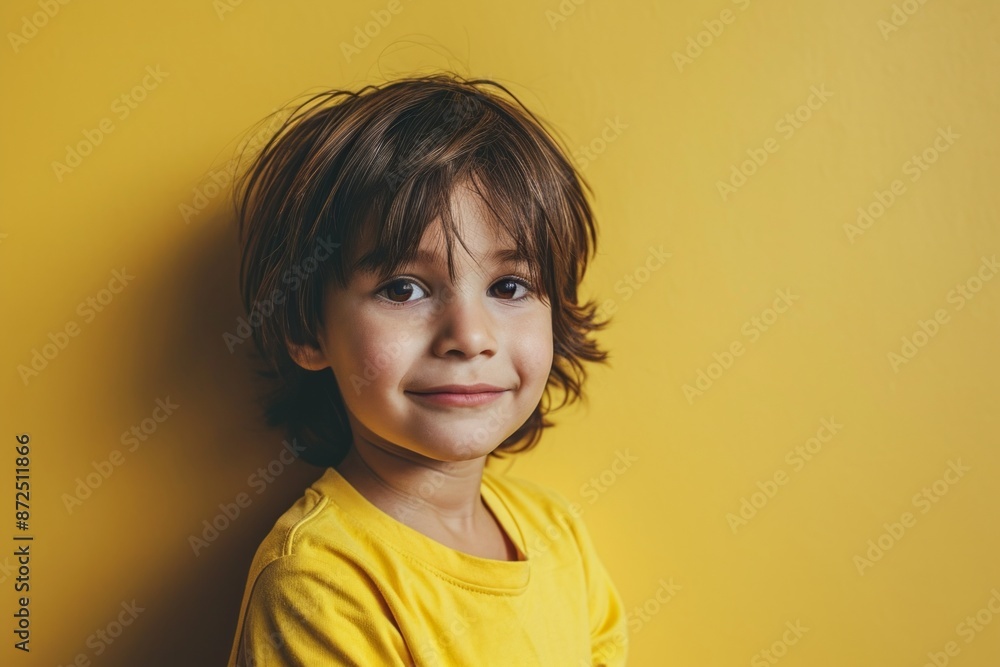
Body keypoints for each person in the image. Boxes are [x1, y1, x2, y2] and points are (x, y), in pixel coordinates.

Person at [226, 71, 628, 666]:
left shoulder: (555, 531)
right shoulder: (319, 584)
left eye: (510, 286)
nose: (468, 336)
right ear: (306, 329)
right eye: (404, 289)